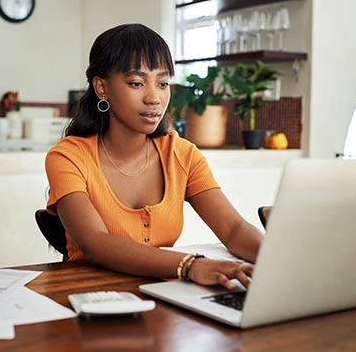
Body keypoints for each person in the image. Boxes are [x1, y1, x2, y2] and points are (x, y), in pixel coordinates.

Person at [45, 23, 264, 290]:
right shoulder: (68, 157)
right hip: (89, 301)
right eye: (136, 83)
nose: (154, 98)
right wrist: (189, 265)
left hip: (164, 299)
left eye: (162, 83)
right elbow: (95, 242)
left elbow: (233, 229)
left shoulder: (182, 154)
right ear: (102, 88)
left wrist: (279, 260)